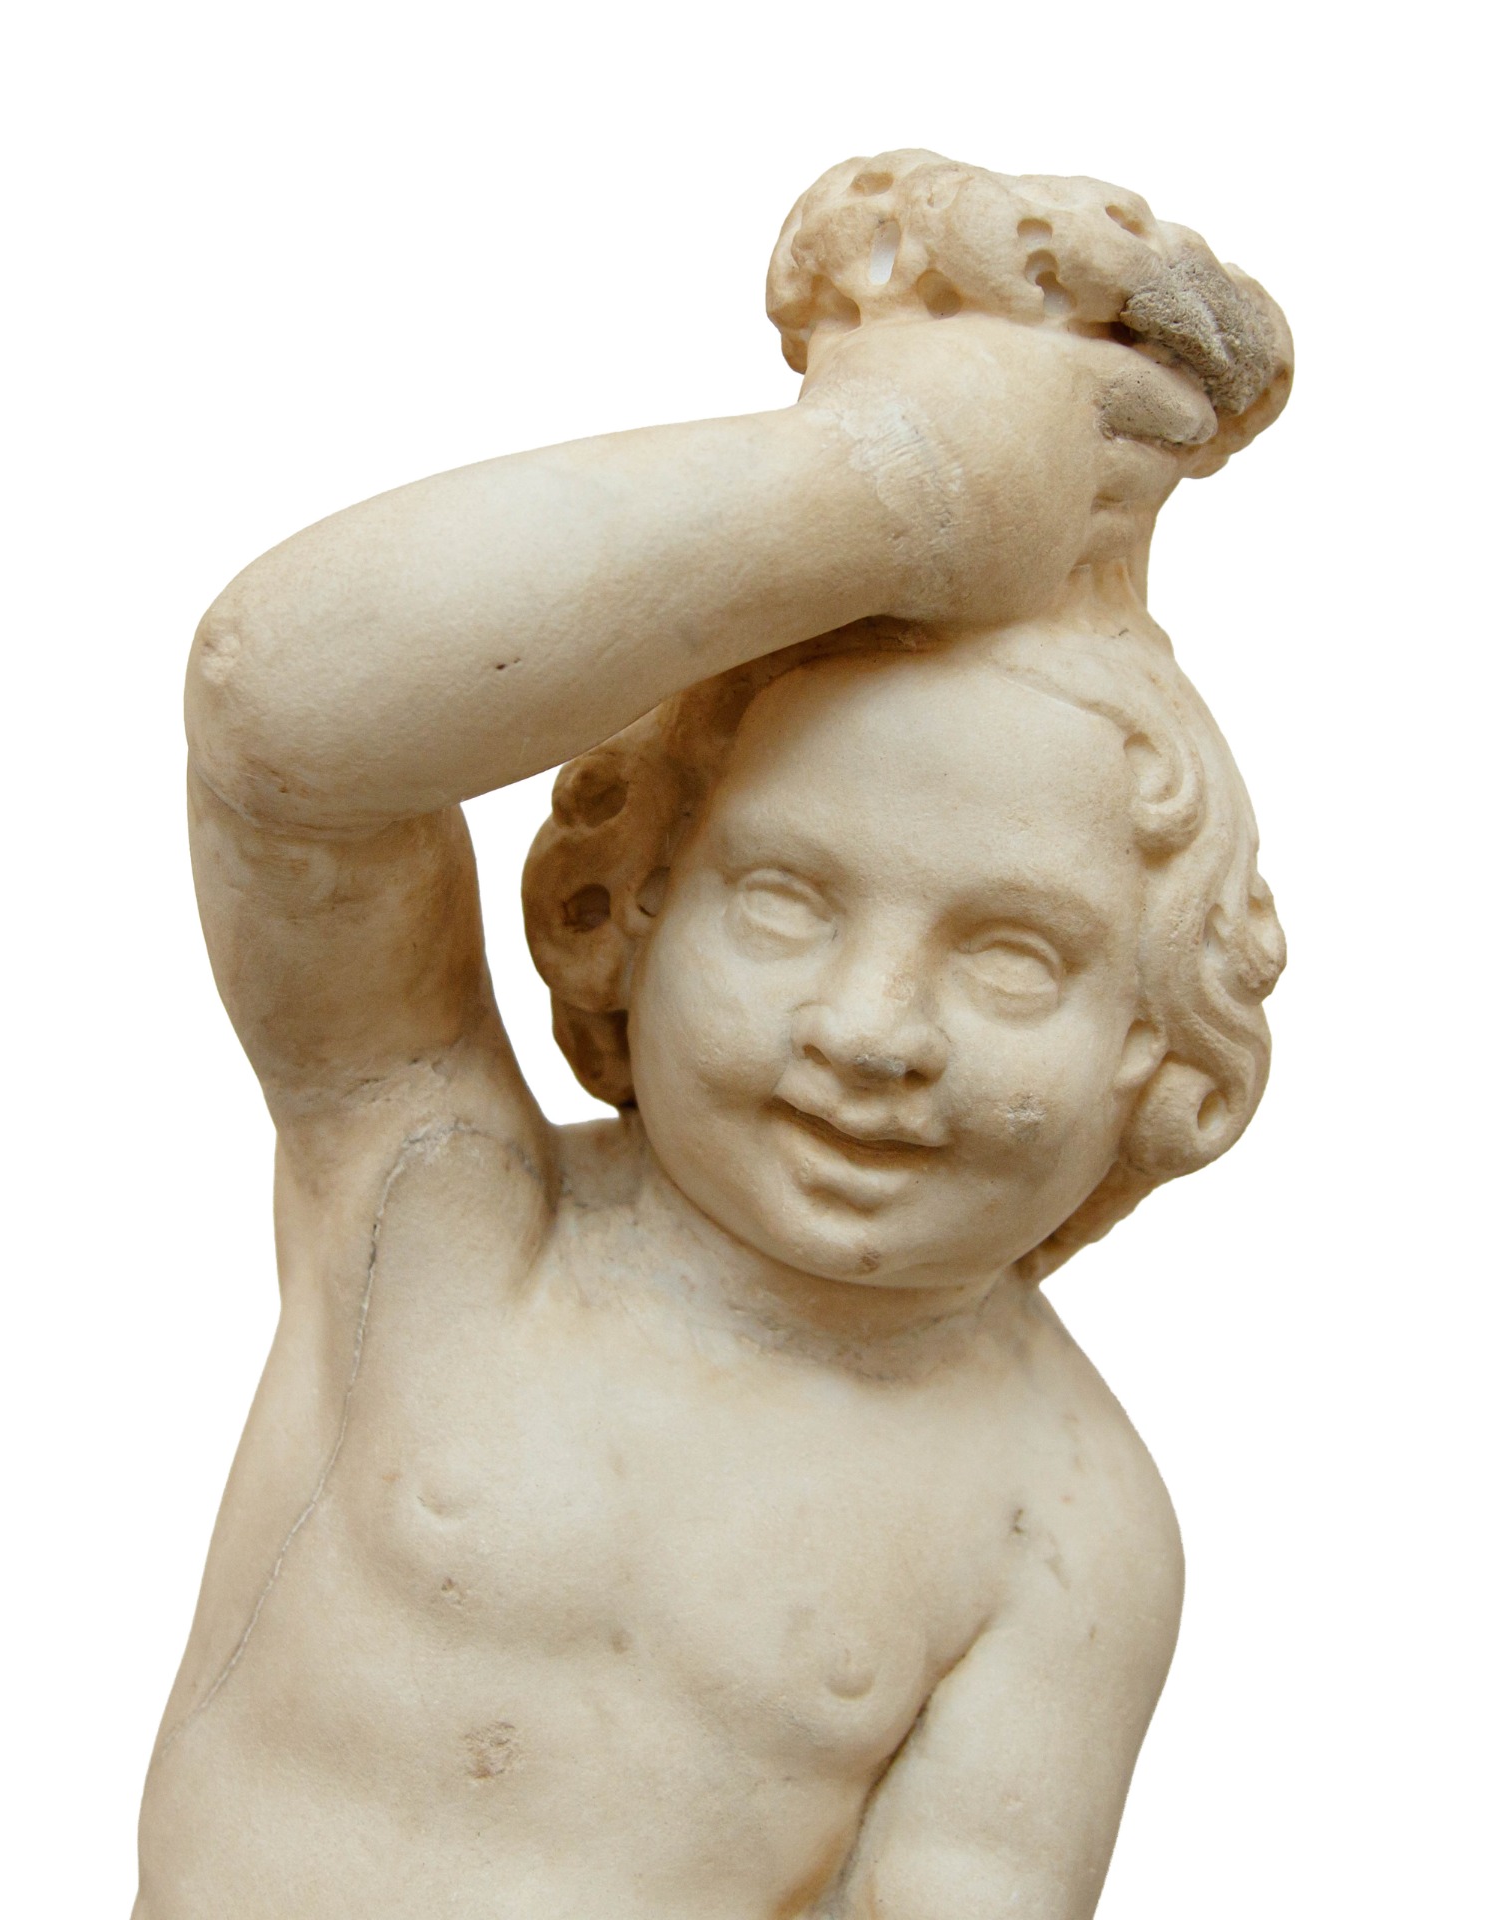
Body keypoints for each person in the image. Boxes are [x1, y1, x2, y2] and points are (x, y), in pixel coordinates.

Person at [137, 154, 1290, 1919]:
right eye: (784, 903)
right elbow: (275, 716)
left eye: (1009, 961)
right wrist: (890, 494)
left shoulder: (1056, 1522)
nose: (873, 1032)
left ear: (1156, 1061)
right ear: (641, 910)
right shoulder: (442, 1200)